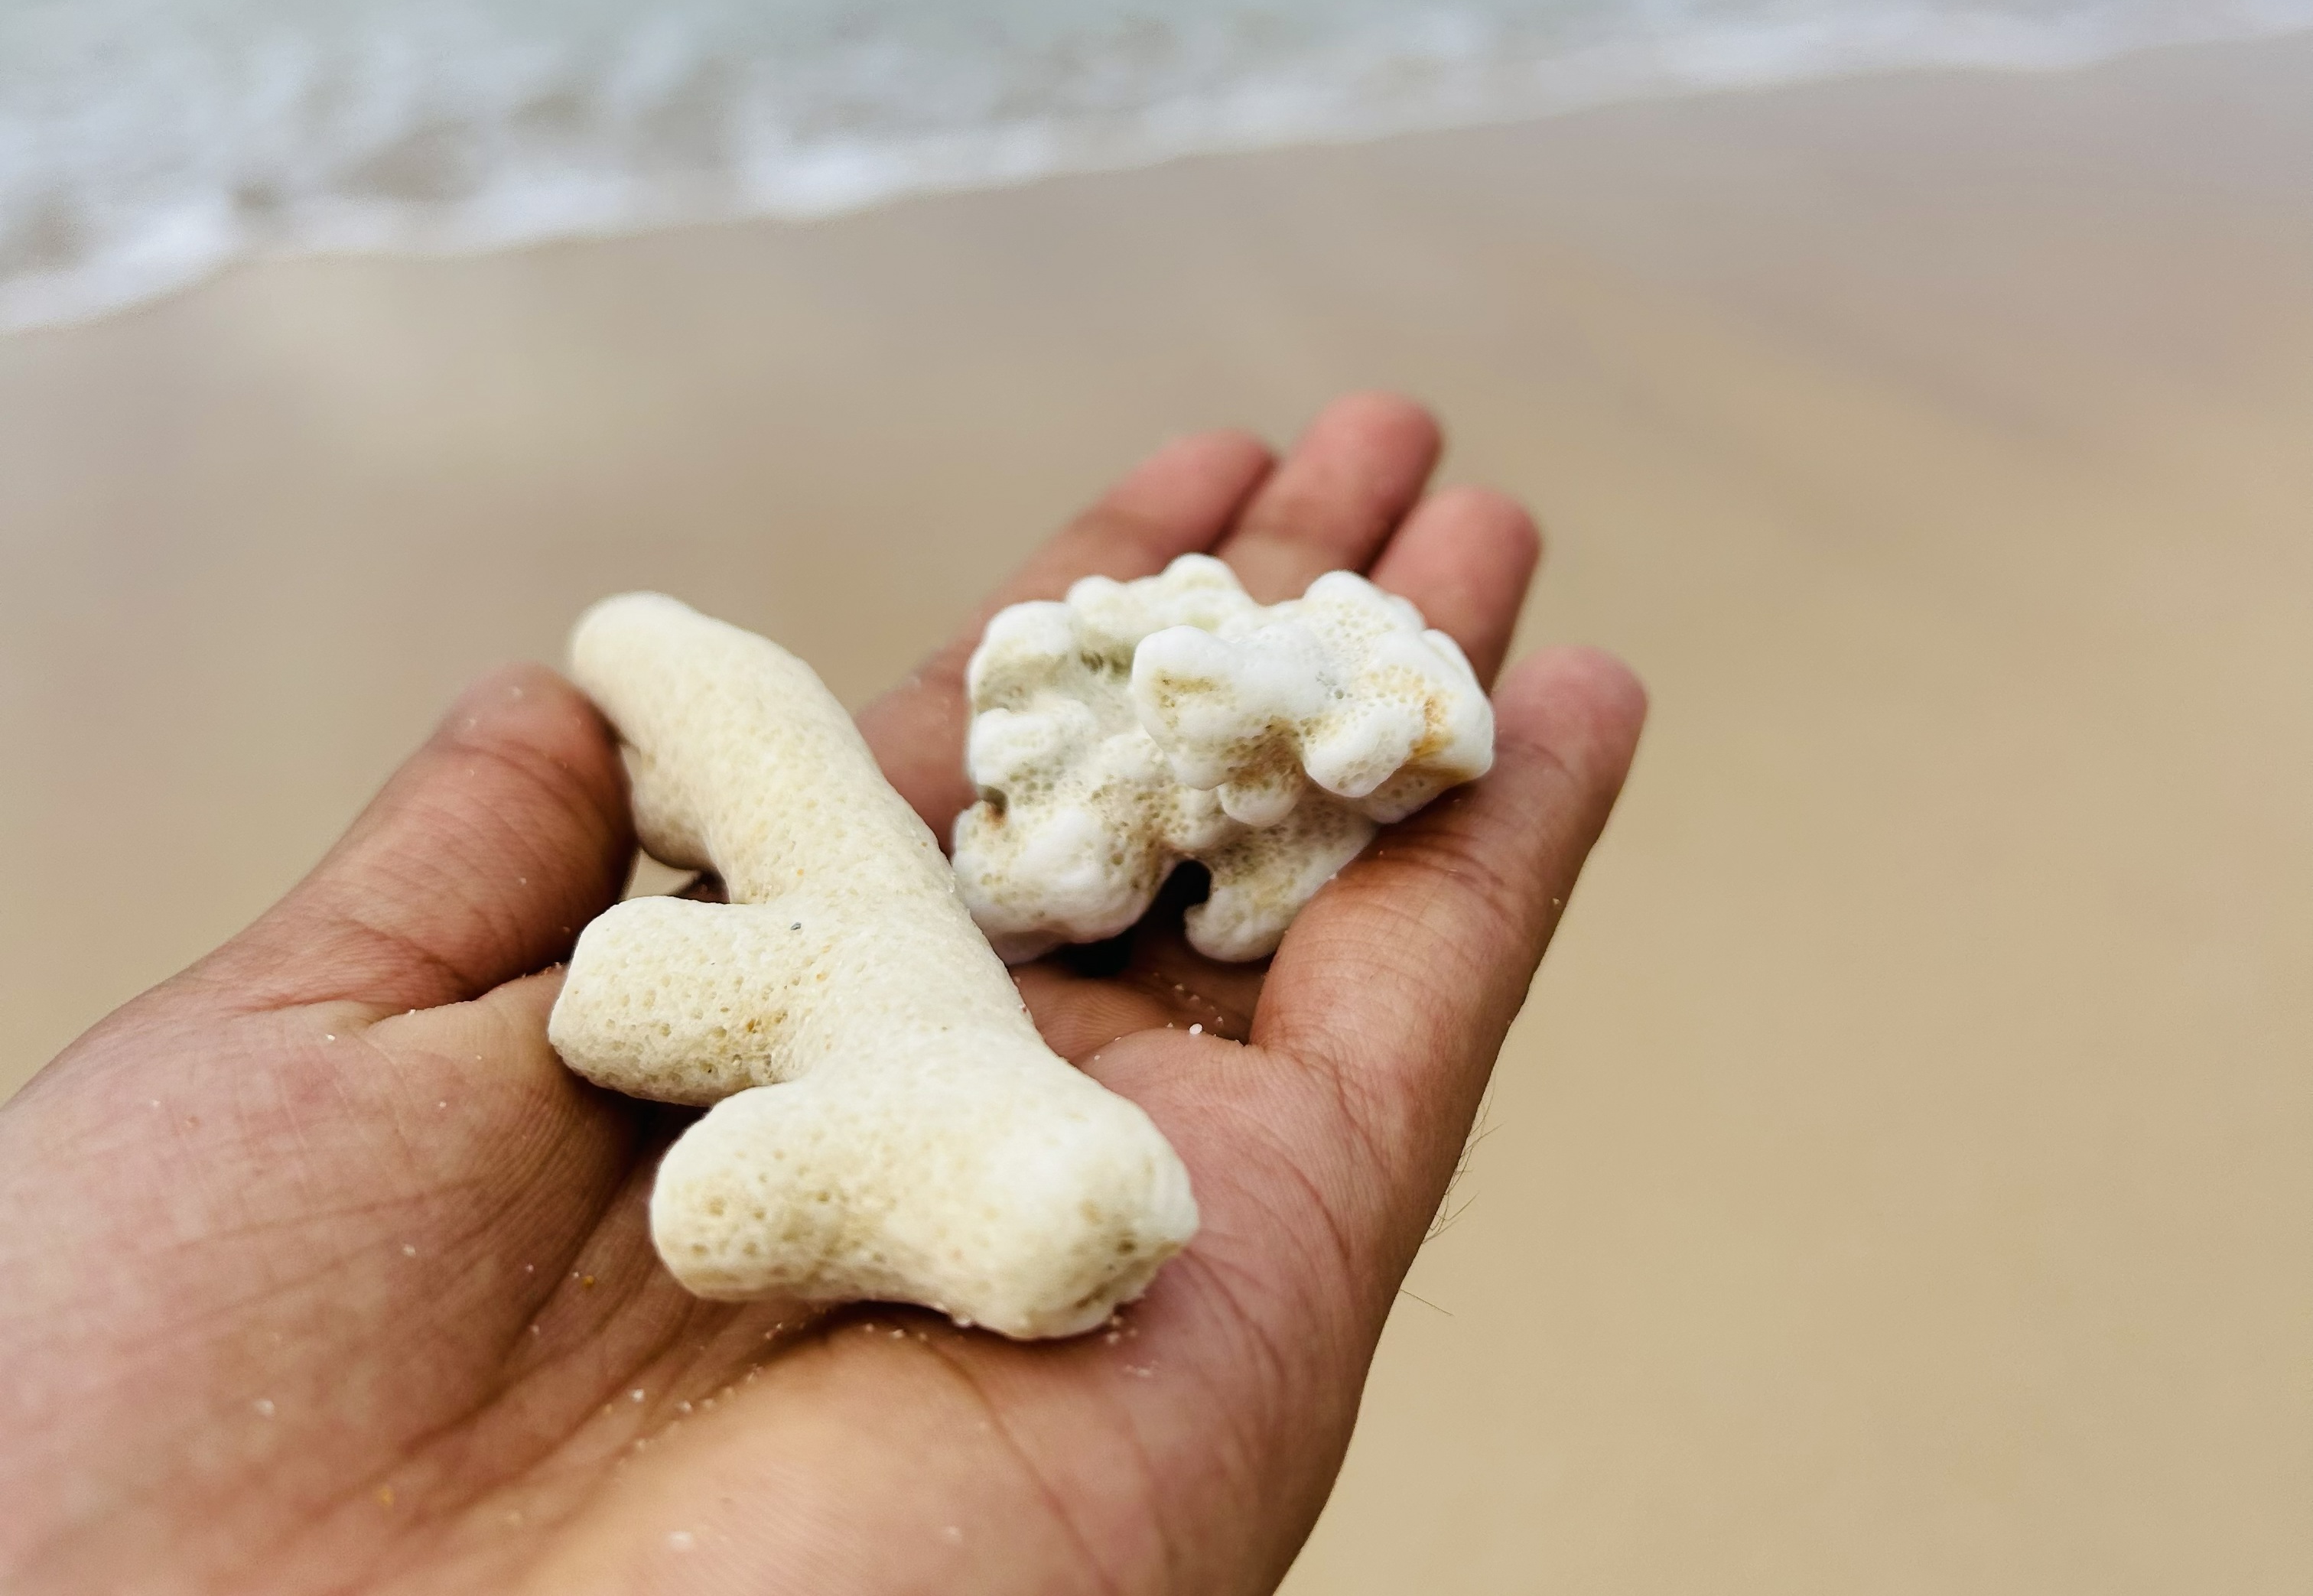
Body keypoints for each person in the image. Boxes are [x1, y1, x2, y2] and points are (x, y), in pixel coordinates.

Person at [0, 393, 1642, 1593]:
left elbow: (704, 1172)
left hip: (893, 973)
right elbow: (694, 1160)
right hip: (881, 969)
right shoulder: (904, 978)